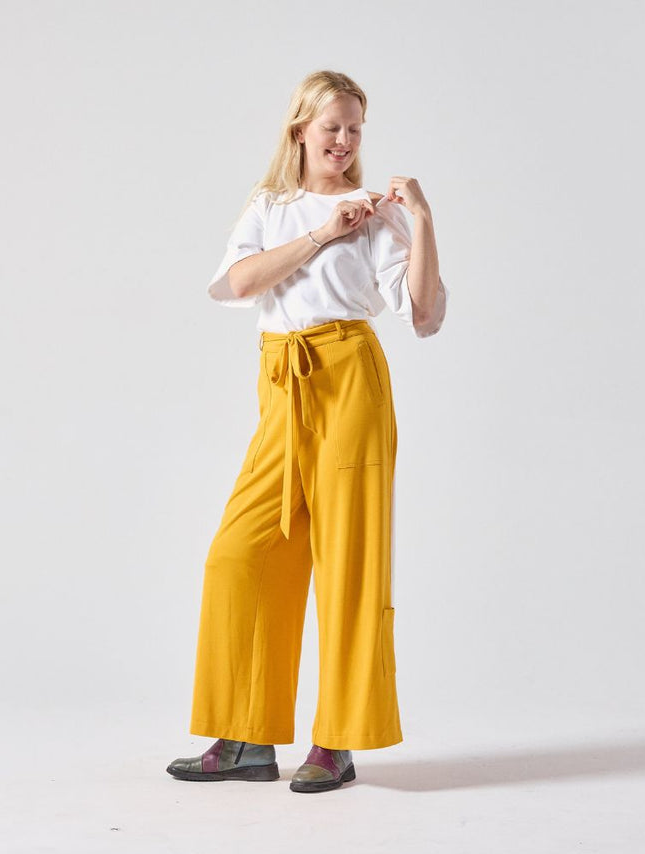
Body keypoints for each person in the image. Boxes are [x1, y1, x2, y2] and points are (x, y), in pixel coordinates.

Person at [166, 70, 448, 793]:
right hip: (281, 383)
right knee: (240, 553)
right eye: (333, 127)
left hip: (349, 379)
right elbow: (236, 284)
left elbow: (425, 314)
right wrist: (324, 234)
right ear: (300, 130)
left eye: (356, 128)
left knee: (349, 562)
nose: (347, 141)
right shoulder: (271, 205)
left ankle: (338, 742)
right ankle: (245, 740)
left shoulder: (379, 214)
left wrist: (419, 221)